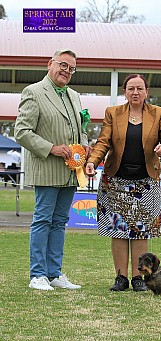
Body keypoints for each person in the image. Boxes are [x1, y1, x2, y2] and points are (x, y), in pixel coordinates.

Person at [85, 74, 161, 291]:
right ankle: (121, 278)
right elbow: (103, 142)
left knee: (141, 231)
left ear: (147, 92)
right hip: (115, 181)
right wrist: (92, 161)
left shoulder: (158, 113)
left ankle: (138, 278)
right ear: (124, 92)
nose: (135, 92)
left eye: (140, 88)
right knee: (118, 230)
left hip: (146, 182)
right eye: (131, 88)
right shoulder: (113, 113)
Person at [15, 49, 89, 291]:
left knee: (59, 222)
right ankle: (37, 274)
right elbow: (22, 132)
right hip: (47, 168)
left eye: (72, 68)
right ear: (50, 64)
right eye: (63, 65)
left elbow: (80, 129)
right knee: (43, 220)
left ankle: (54, 273)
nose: (67, 71)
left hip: (70, 172)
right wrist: (51, 148)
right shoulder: (34, 92)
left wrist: (84, 145)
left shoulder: (75, 96)